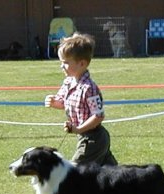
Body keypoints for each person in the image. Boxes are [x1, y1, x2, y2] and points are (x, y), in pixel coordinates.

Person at [45, 32, 118, 166]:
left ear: (82, 63)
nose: (62, 66)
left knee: (75, 173)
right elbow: (63, 103)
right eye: (61, 62)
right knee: (110, 173)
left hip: (94, 138)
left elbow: (98, 116)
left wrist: (78, 129)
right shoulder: (68, 82)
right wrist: (54, 102)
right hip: (84, 136)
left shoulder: (89, 88)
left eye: (66, 63)